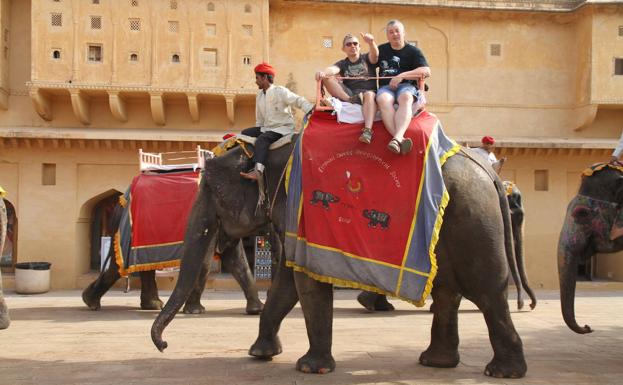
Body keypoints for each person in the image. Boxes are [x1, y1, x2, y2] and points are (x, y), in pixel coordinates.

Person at [240, 63, 314, 181]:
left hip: (282, 128)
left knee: (263, 139)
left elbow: (298, 101)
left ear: (265, 78)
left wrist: (310, 110)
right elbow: (259, 119)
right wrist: (257, 131)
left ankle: (258, 171)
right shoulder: (259, 96)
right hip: (267, 128)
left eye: (257, 78)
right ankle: (249, 165)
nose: (256, 81)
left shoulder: (280, 91)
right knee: (244, 133)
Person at [376, 19, 431, 155]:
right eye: (391, 32)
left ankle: (397, 138)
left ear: (403, 33)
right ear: (387, 35)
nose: (394, 34)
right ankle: (398, 139)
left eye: (397, 31)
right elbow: (367, 62)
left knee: (406, 97)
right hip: (386, 87)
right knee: (383, 99)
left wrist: (402, 75)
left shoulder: (413, 51)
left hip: (406, 86)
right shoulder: (381, 49)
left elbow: (426, 71)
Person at [315, 33, 378, 144]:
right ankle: (350, 100)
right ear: (344, 49)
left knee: (369, 94)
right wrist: (323, 73)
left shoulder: (366, 58)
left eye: (355, 43)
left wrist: (371, 42)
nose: (352, 46)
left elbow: (375, 56)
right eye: (348, 44)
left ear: (359, 47)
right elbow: (333, 69)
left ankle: (367, 131)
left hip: (368, 94)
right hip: (351, 94)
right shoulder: (343, 63)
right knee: (326, 78)